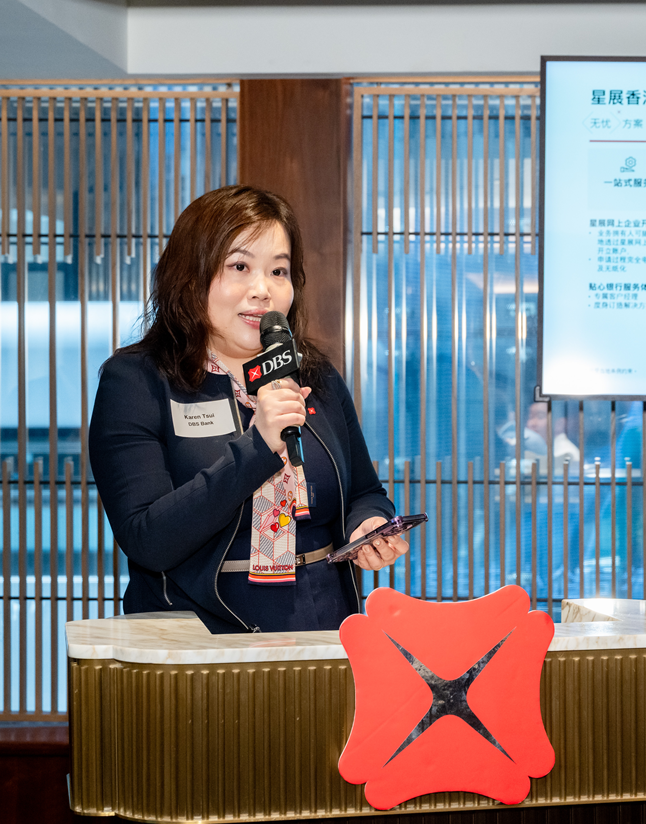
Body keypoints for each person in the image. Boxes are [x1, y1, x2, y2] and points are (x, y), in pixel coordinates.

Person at [88, 185, 407, 633]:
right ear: (190, 276)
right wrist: (257, 447)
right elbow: (148, 539)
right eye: (239, 267)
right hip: (200, 634)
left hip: (323, 626)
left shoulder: (314, 375)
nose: (263, 290)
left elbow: (364, 490)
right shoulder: (138, 381)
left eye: (278, 271)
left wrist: (367, 524)